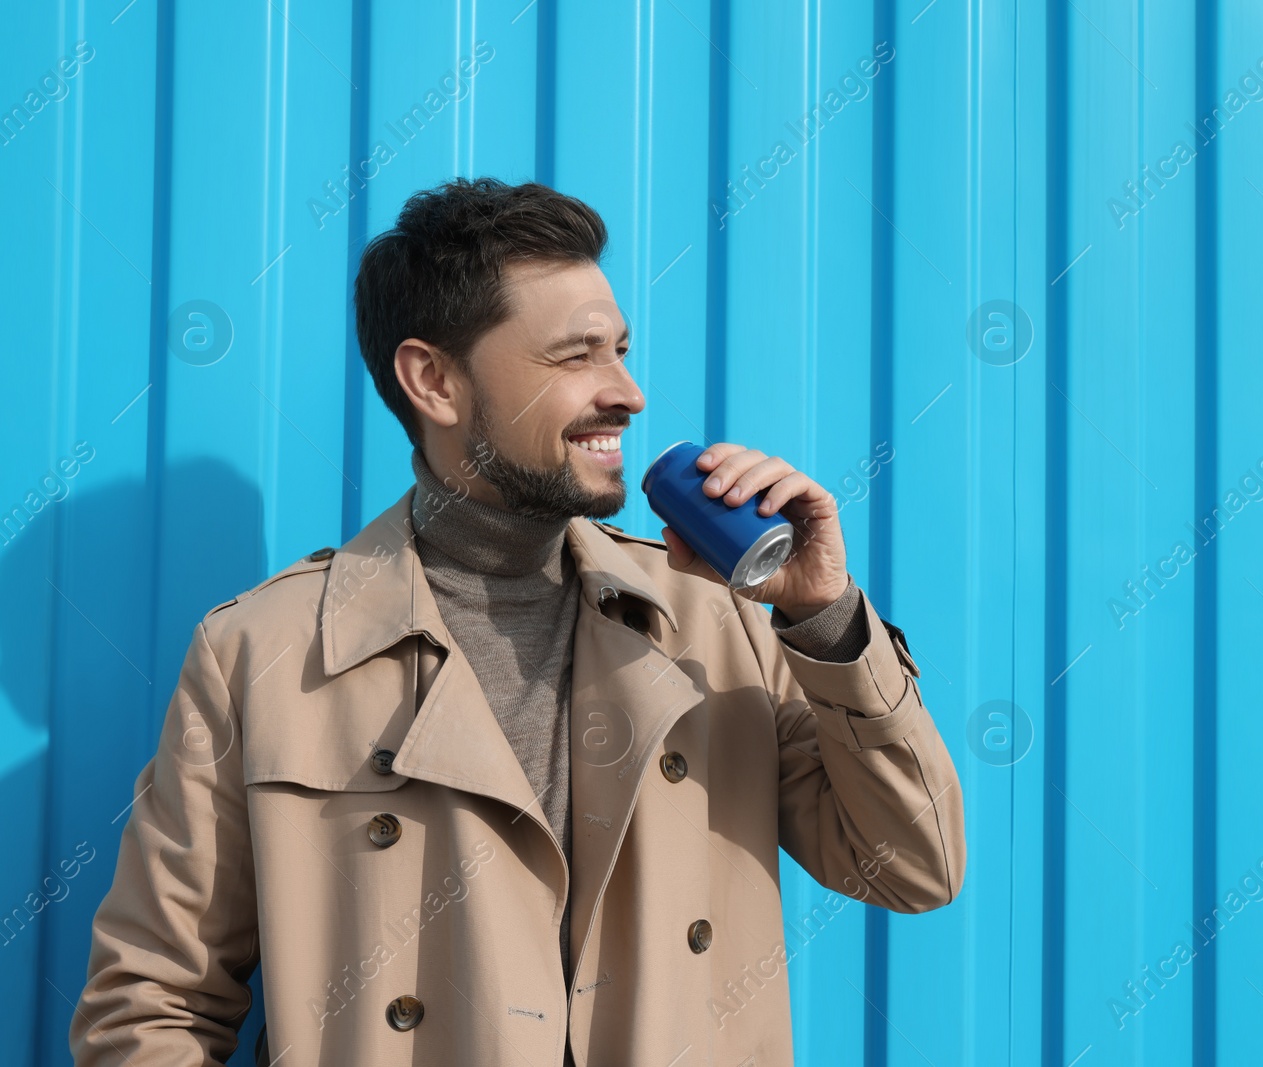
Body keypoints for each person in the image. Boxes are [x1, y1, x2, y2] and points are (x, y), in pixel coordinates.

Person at [69, 177, 966, 1066]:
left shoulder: (718, 619)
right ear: (433, 381)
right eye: (578, 357)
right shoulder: (262, 655)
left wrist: (827, 618)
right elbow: (152, 1005)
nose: (629, 392)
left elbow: (911, 866)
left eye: (621, 349)